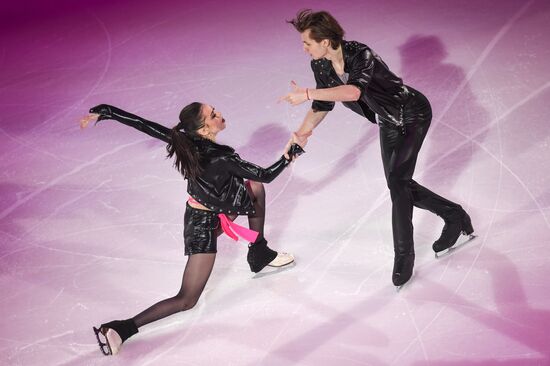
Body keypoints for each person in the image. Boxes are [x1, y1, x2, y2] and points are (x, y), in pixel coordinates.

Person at [80, 102, 304, 355]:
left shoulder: (184, 139)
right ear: (204, 128)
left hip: (211, 208)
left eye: (216, 110)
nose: (220, 114)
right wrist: (289, 155)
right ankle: (122, 328)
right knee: (187, 299)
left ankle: (259, 251)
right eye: (213, 115)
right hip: (202, 226)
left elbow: (146, 126)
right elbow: (265, 174)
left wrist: (109, 111)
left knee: (253, 188)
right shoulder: (221, 157)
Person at [280, 9, 474, 287]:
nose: (304, 49)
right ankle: (454, 214)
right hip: (387, 121)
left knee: (398, 185)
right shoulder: (321, 65)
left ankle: (404, 257)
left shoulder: (361, 55)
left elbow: (353, 92)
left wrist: (308, 92)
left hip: (412, 113)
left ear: (325, 41)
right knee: (399, 184)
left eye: (307, 43)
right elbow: (323, 104)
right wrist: (301, 134)